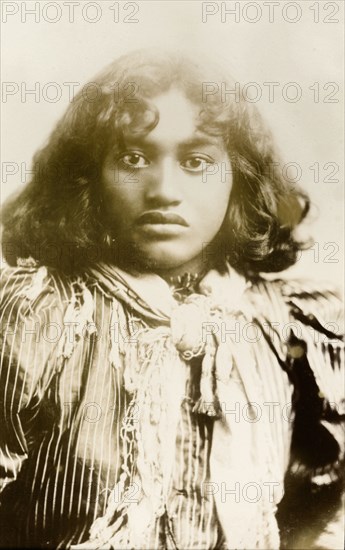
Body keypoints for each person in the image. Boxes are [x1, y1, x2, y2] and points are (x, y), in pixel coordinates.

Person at [0, 49, 343, 550]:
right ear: (88, 177)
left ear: (238, 178)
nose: (164, 190)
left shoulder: (284, 327)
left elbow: (319, 497)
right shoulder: (41, 315)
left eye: (196, 161)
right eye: (133, 158)